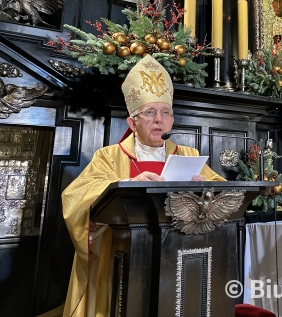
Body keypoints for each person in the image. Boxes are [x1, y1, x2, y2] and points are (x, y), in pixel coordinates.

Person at [61, 56, 224, 317]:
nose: (159, 120)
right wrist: (125, 185)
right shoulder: (110, 157)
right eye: (150, 113)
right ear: (132, 122)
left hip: (182, 256)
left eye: (165, 113)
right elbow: (75, 198)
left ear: (172, 121)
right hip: (123, 259)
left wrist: (205, 189)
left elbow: (222, 188)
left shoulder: (188, 155)